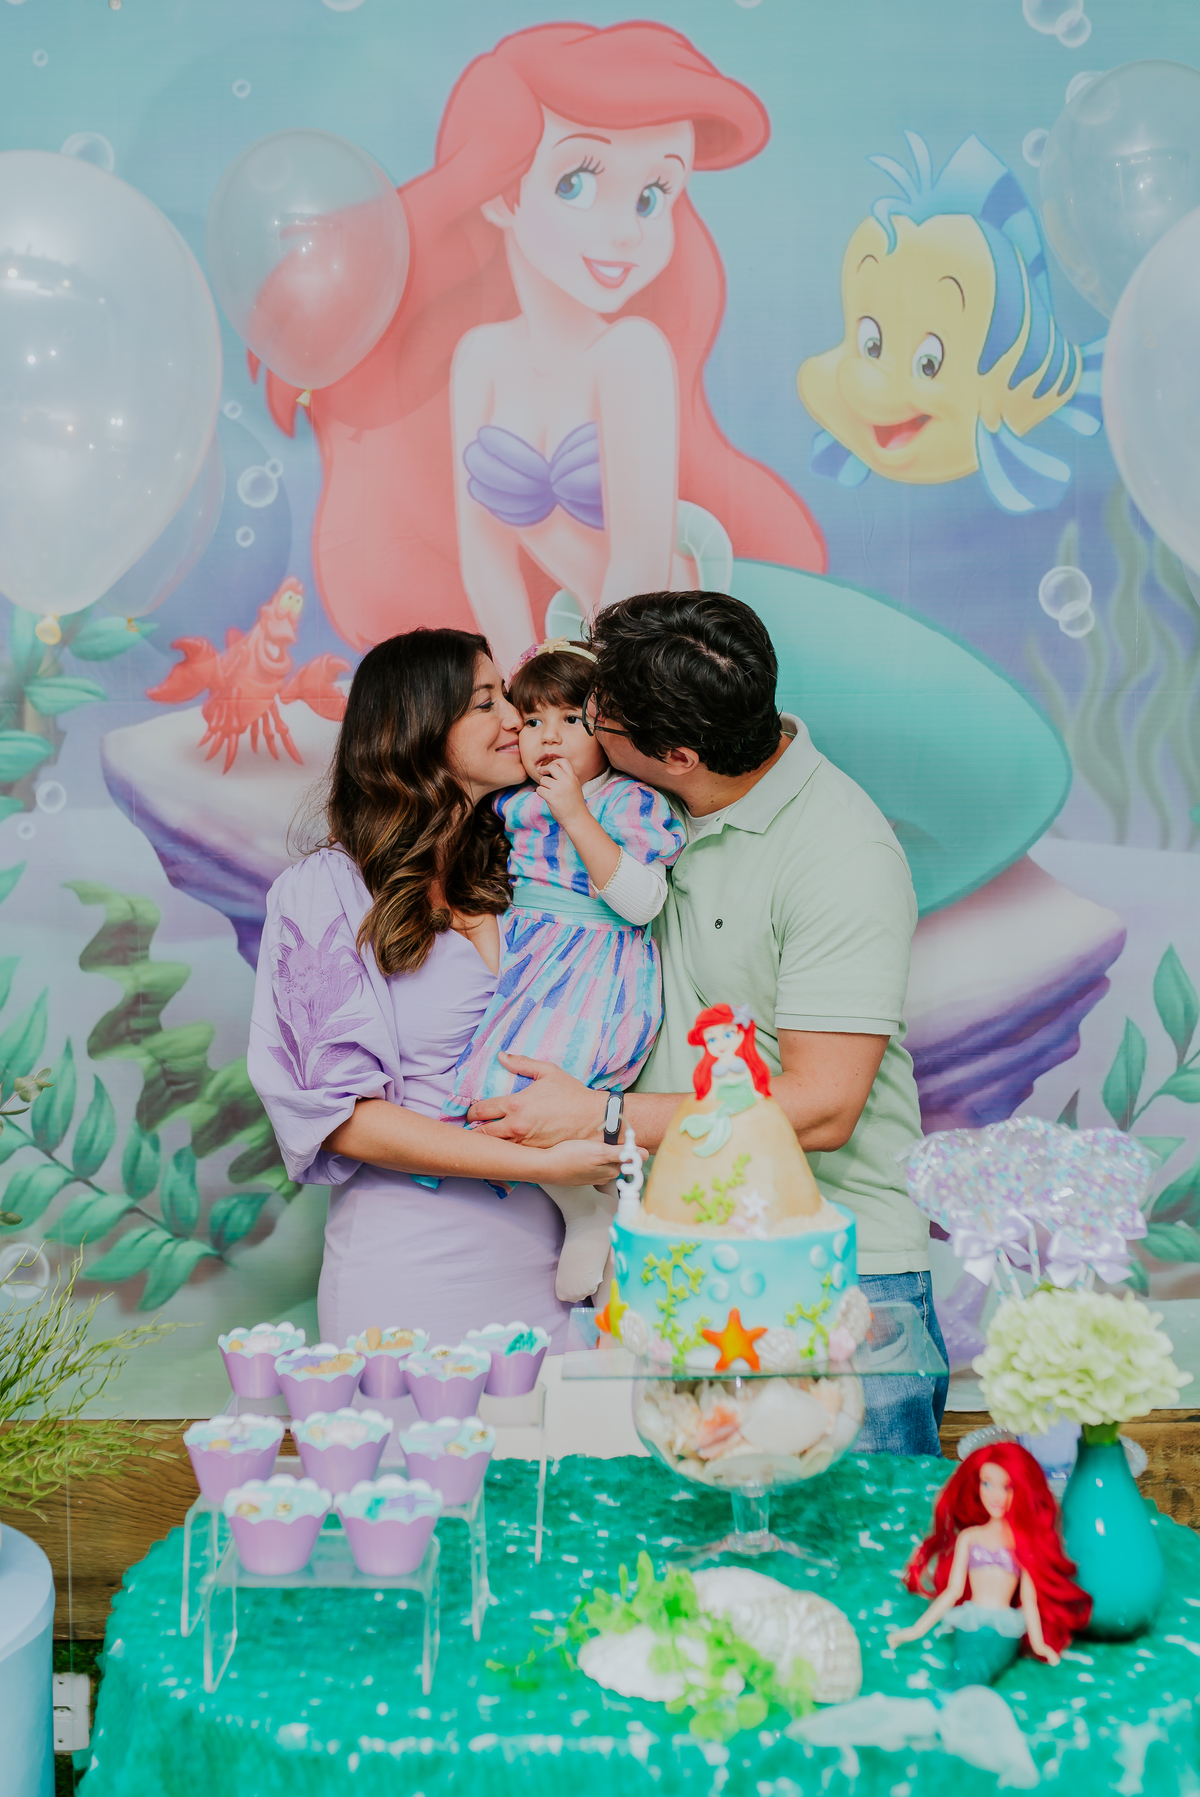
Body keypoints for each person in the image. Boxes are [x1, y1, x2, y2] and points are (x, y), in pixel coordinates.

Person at [467, 589, 949, 1452]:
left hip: (831, 1283)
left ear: (678, 753)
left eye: (596, 713)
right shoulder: (642, 806)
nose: (576, 724)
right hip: (680, 1261)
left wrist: (604, 1115)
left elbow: (825, 1105)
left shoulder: (841, 855)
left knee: (858, 1560)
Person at [252, 20, 825, 665]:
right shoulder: (482, 358)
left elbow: (638, 561)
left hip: (670, 655)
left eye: (652, 195)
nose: (625, 232)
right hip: (582, 653)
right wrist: (527, 693)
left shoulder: (632, 353)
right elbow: (486, 559)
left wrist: (592, 705)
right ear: (501, 194)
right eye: (576, 183)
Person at [246, 627, 626, 1348]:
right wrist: (540, 1161)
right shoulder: (326, 892)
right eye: (487, 702)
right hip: (415, 1273)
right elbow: (342, 1117)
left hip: (560, 1269)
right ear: (415, 727)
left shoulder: (532, 870)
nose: (516, 719)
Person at [442, 637, 684, 1300]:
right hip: (531, 968)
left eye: (571, 720)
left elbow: (642, 904)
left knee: (542, 1097)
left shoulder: (625, 803)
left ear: (608, 729)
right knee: (494, 1093)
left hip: (593, 972)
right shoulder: (512, 805)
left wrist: (575, 811)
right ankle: (589, 1206)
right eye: (533, 719)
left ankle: (589, 1211)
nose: (548, 736)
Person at [887, 1443, 1091, 1684]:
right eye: (987, 1483)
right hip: (971, 1618)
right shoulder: (969, 1537)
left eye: (1007, 1487)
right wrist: (916, 1630)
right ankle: (951, 1701)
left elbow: (1029, 1601)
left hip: (1006, 1625)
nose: (995, 1495)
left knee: (981, 1669)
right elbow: (953, 1591)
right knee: (964, 1665)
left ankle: (954, 1704)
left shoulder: (1021, 1543)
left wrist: (1039, 1644)